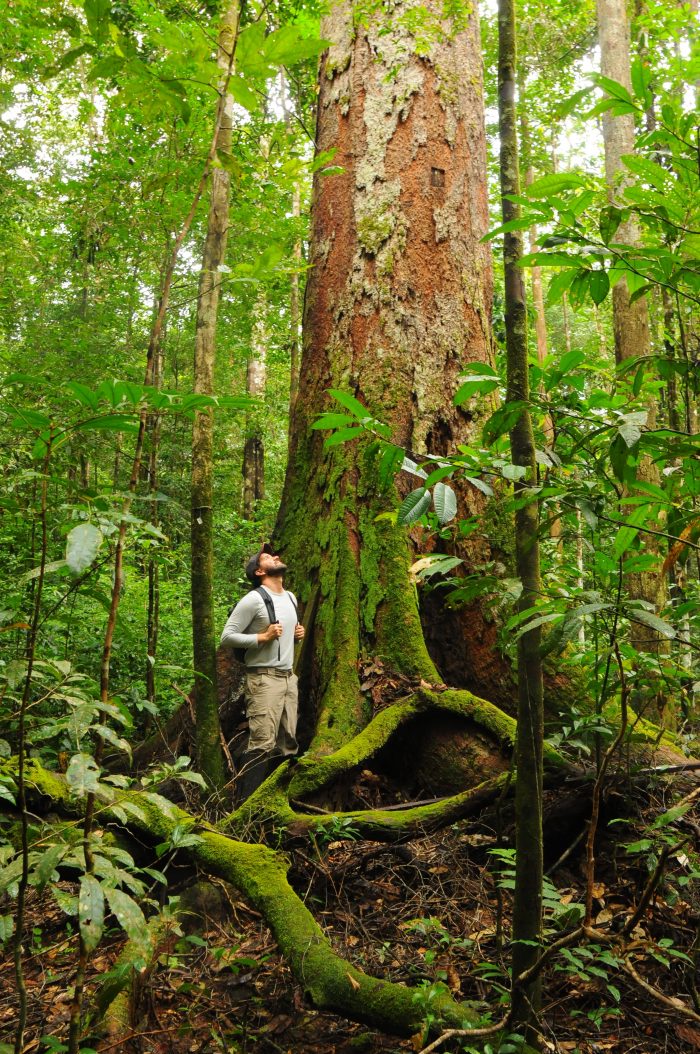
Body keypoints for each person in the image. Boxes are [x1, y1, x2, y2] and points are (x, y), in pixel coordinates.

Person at [220, 543, 305, 801]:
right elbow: (227, 637)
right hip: (264, 680)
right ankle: (248, 808)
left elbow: (287, 635)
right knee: (262, 744)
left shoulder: (290, 597)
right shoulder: (253, 600)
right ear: (259, 571)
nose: (275, 556)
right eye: (268, 557)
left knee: (288, 742)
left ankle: (278, 799)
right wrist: (261, 636)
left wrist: (297, 635)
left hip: (289, 678)